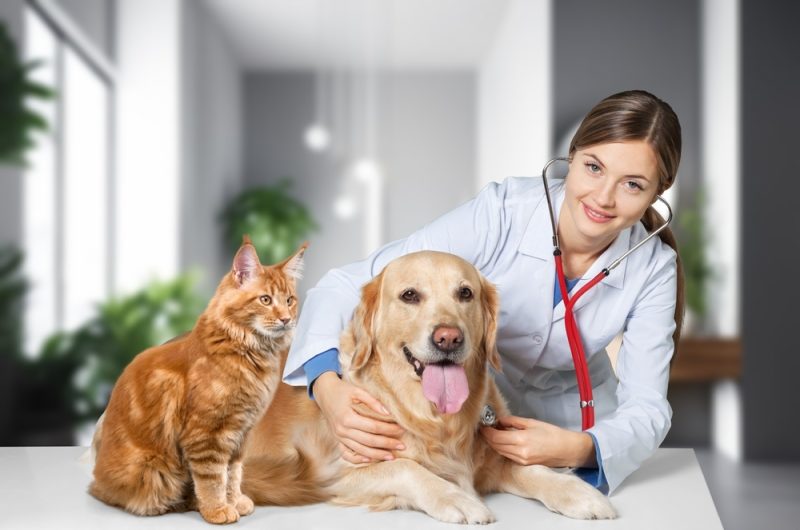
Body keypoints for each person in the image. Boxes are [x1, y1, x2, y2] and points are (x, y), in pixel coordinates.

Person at [282, 89, 685, 495]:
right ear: (573, 154)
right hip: (474, 415)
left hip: (574, 426)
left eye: (632, 185)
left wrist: (580, 448)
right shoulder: (503, 212)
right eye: (593, 167)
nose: (603, 197)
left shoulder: (654, 269)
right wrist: (327, 387)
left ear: (658, 192)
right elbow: (348, 284)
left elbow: (648, 405)